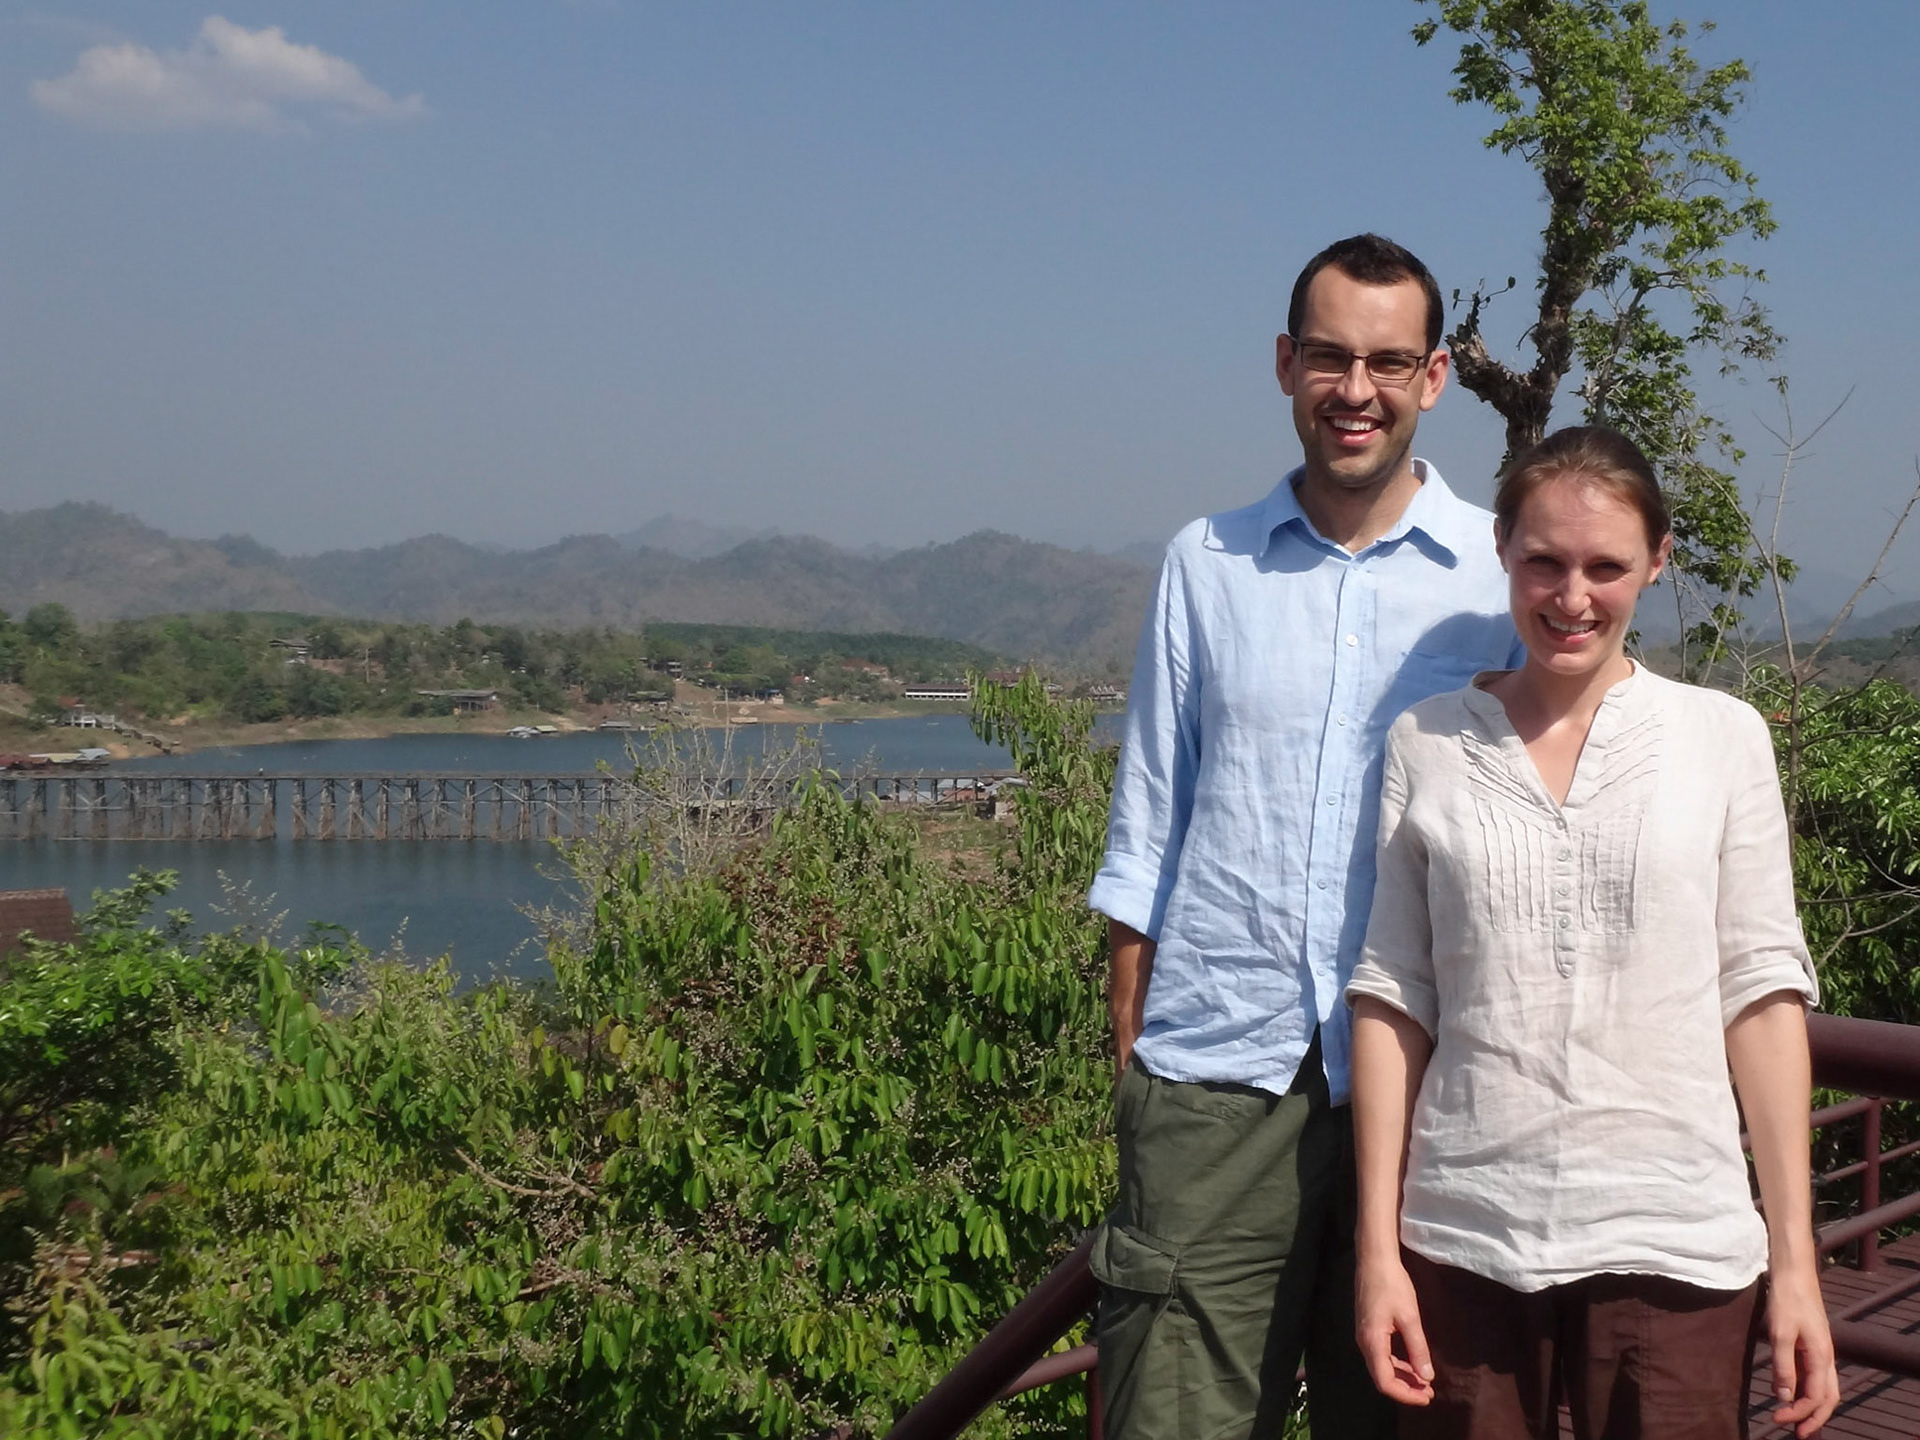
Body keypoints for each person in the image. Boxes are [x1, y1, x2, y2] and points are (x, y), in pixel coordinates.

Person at [1086, 233, 1523, 1440]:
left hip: (1430, 1083)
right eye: (1329, 357)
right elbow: (1150, 823)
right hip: (1217, 1073)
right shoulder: (1206, 564)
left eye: (1389, 362)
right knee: (1175, 1417)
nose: (1356, 390)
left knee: (1398, 1419)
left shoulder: (1496, 586)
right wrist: (1137, 1051)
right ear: (1285, 364)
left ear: (1434, 378)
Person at [1346, 425, 1840, 1439]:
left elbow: (1761, 995)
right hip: (1465, 1236)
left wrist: (1796, 1266)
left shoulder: (1720, 739)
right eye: (1545, 561)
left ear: (1657, 564)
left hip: (1678, 1244)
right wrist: (1377, 1251)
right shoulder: (1428, 743)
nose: (1572, 597)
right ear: (1504, 551)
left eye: (1606, 567)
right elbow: (1393, 995)